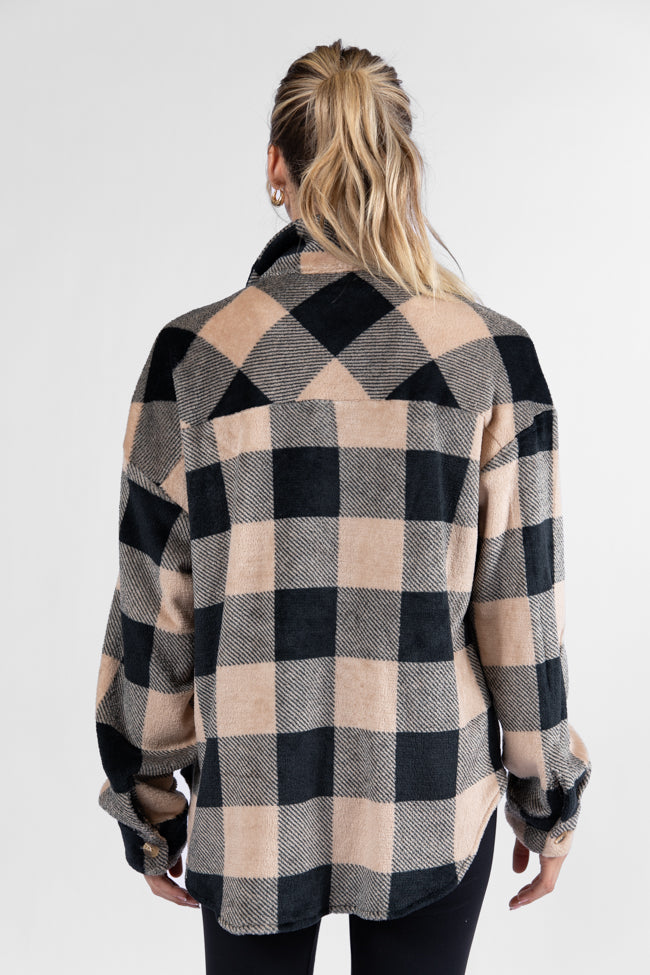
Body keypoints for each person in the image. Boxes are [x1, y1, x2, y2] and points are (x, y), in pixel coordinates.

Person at [94, 38, 593, 975]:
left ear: (275, 167)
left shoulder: (193, 360)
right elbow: (519, 618)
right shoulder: (490, 360)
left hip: (251, 806)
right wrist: (548, 800)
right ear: (402, 164)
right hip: (430, 806)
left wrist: (148, 806)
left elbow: (155, 607)